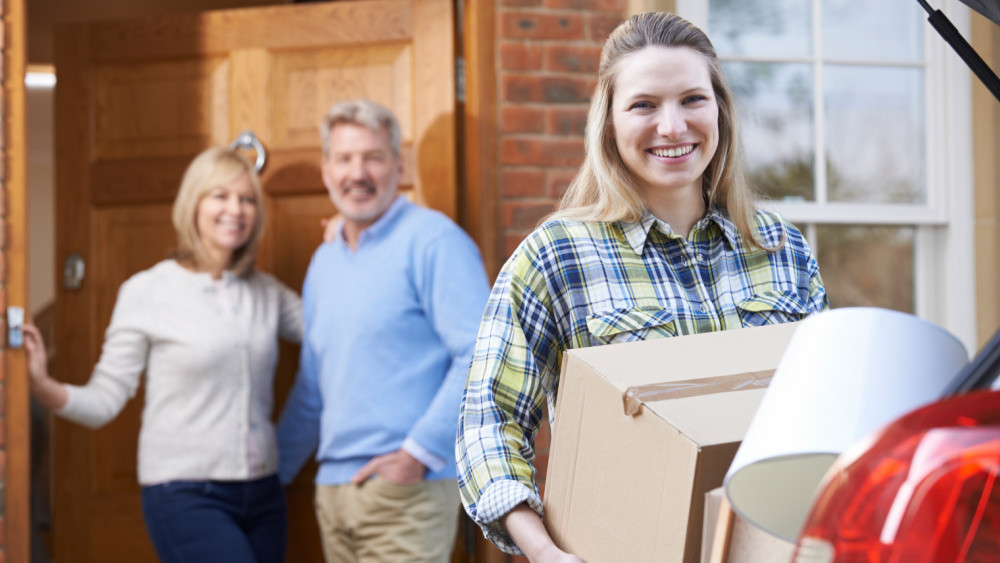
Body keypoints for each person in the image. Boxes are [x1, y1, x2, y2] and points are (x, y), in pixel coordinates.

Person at [456, 11, 830, 561]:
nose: (673, 127)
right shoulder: (557, 256)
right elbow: (488, 422)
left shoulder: (782, 251)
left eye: (692, 100)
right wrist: (544, 551)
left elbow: (825, 409)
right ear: (608, 122)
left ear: (720, 110)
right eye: (644, 105)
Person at [23, 147, 303, 563]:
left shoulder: (267, 292)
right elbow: (105, 400)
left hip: (264, 493)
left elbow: (335, 336)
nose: (236, 209)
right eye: (220, 196)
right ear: (193, 204)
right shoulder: (148, 290)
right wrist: (43, 387)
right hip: (185, 493)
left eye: (247, 199)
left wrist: (346, 242)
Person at [276, 98, 490, 562]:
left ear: (397, 165)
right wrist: (270, 475)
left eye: (372, 157)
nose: (358, 173)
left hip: (407, 493)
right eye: (345, 159)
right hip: (332, 493)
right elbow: (314, 386)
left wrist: (416, 454)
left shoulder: (434, 241)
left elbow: (479, 354)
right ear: (326, 169)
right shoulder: (324, 262)